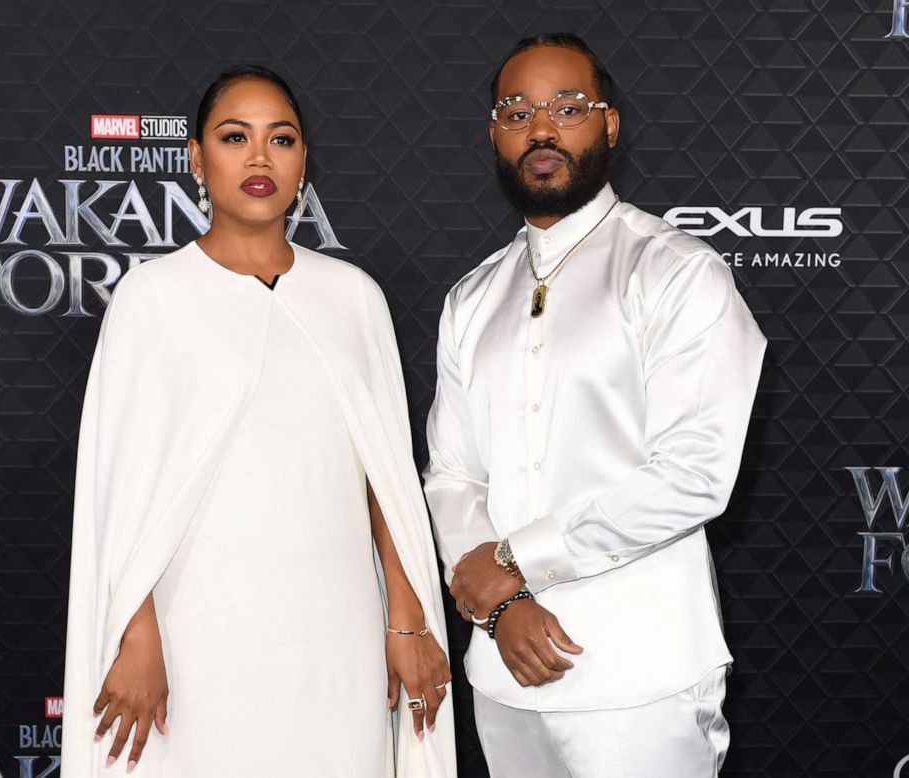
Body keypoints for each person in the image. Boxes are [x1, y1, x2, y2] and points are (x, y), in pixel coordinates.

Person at [61, 65, 456, 778]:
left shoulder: (353, 297)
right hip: (195, 632)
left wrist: (407, 616)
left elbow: (385, 481)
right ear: (194, 157)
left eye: (282, 139)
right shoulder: (152, 299)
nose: (258, 158)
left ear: (304, 161)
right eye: (234, 136)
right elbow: (121, 494)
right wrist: (136, 632)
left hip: (337, 633)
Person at [423, 34, 766, 777]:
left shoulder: (676, 274)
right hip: (503, 672)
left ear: (608, 126)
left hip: (640, 683)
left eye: (567, 108)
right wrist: (502, 607)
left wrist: (514, 564)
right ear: (494, 135)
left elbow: (694, 474)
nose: (541, 129)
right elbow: (453, 475)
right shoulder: (472, 297)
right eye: (517, 112)